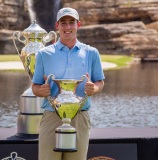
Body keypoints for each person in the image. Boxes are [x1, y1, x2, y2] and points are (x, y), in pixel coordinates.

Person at [32, 7, 105, 160]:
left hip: (80, 117)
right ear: (56, 26)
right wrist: (42, 90)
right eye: (63, 23)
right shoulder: (44, 54)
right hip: (52, 117)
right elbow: (35, 87)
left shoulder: (92, 53)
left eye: (71, 22)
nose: (67, 27)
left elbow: (100, 82)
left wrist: (94, 89)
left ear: (78, 25)